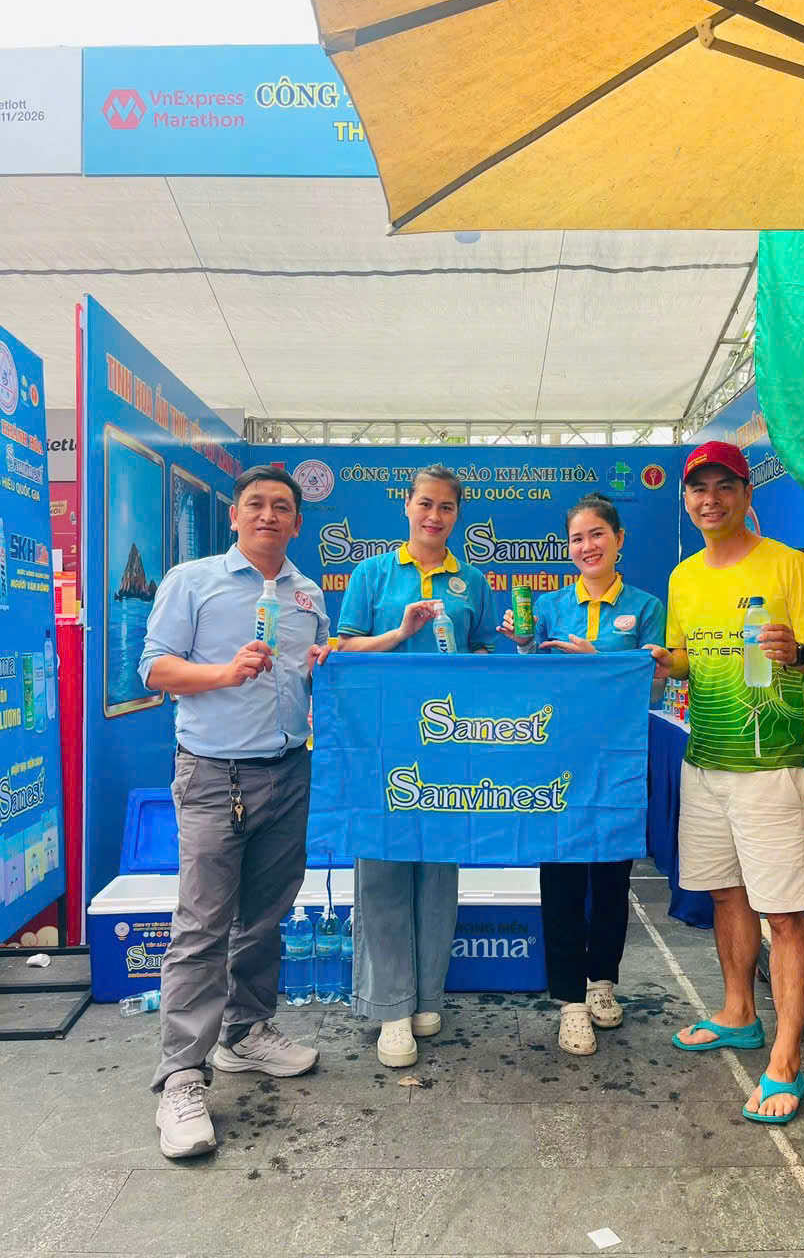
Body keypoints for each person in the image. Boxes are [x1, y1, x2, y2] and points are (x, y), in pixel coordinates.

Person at [139, 465, 330, 1159]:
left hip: (287, 769)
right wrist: (223, 673)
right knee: (202, 926)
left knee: (265, 917)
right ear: (234, 515)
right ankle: (182, 1077)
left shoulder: (307, 594)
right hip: (213, 774)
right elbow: (154, 668)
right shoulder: (192, 581)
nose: (268, 515)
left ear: (297, 523)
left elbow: (313, 673)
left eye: (281, 506)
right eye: (256, 504)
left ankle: (245, 1034)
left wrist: (325, 664)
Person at [646, 441, 804, 1124]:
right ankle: (737, 1013)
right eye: (699, 489)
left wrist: (797, 651)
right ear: (686, 499)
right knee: (727, 894)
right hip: (705, 762)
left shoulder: (791, 565)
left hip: (770, 765)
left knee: (784, 912)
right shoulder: (684, 577)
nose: (711, 500)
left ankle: (785, 1060)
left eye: (724, 486)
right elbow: (687, 658)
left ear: (747, 494)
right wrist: (663, 661)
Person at [337, 464, 497, 1067]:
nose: (434, 516)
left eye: (446, 507)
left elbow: (483, 655)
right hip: (381, 740)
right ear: (407, 506)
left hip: (447, 742)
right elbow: (345, 647)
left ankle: (428, 994)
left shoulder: (471, 580)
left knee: (438, 871)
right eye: (425, 504)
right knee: (382, 868)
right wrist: (400, 633)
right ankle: (390, 1007)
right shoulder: (373, 573)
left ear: (457, 515)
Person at [500, 493, 665, 1057]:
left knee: (612, 879)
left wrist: (598, 662)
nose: (587, 546)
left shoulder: (646, 607)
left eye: (597, 534)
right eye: (577, 538)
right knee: (563, 879)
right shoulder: (549, 605)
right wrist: (526, 644)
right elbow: (532, 683)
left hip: (618, 762)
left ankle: (602, 982)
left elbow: (655, 689)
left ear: (619, 540)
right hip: (558, 760)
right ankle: (570, 1001)